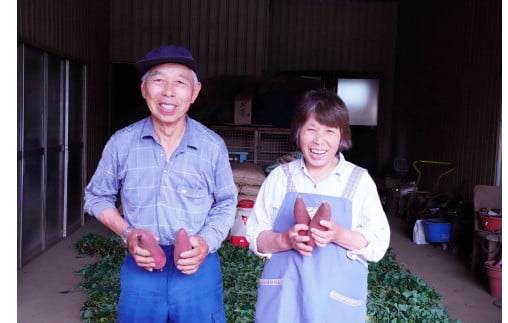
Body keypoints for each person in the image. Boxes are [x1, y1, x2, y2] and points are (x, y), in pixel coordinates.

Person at [83, 45, 238, 323]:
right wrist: (128, 232)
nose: (168, 91)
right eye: (157, 80)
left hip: (197, 267)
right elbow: (96, 197)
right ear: (144, 90)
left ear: (194, 91)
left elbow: (226, 201)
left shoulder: (212, 146)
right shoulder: (122, 143)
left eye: (180, 82)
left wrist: (206, 241)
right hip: (142, 267)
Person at [246, 88, 391, 322]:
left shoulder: (359, 181)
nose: (319, 141)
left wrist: (339, 234)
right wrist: (284, 240)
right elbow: (254, 235)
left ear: (341, 135)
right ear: (298, 132)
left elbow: (378, 243)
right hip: (285, 300)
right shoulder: (280, 178)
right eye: (311, 129)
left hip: (335, 303)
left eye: (329, 131)